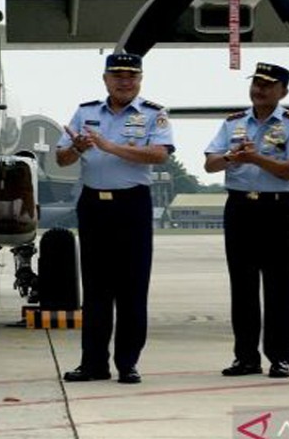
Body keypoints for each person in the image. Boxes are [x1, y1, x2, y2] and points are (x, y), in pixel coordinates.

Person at [55, 53, 173, 385]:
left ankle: (128, 363)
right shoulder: (86, 111)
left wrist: (110, 147)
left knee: (132, 288)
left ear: (140, 80)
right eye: (118, 75)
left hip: (131, 205)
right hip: (93, 205)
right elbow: (61, 159)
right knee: (95, 289)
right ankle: (93, 363)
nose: (125, 81)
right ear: (105, 79)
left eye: (131, 76)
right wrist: (77, 148)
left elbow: (160, 153)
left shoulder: (154, 114)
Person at [203, 62, 289, 379]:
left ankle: (279, 357)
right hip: (240, 208)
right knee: (243, 285)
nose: (259, 89)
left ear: (283, 91)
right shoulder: (233, 122)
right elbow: (210, 164)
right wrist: (233, 157)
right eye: (256, 83)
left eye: (268, 84)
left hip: (277, 209)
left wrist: (256, 158)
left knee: (280, 285)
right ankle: (245, 357)